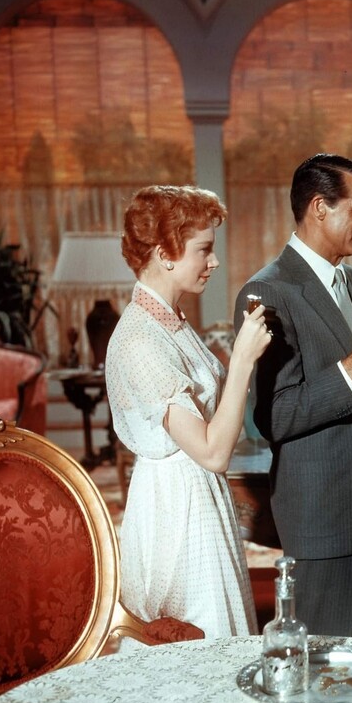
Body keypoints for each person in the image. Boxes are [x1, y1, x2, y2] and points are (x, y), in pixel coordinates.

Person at [235, 153, 352, 645]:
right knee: (323, 657)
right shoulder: (267, 290)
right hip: (322, 509)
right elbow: (275, 416)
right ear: (319, 207)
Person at [105, 185, 272, 639]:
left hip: (197, 495)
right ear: (165, 254)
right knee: (194, 646)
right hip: (175, 510)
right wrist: (242, 359)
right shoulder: (139, 339)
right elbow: (213, 453)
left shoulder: (169, 320)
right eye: (204, 249)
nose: (213, 262)